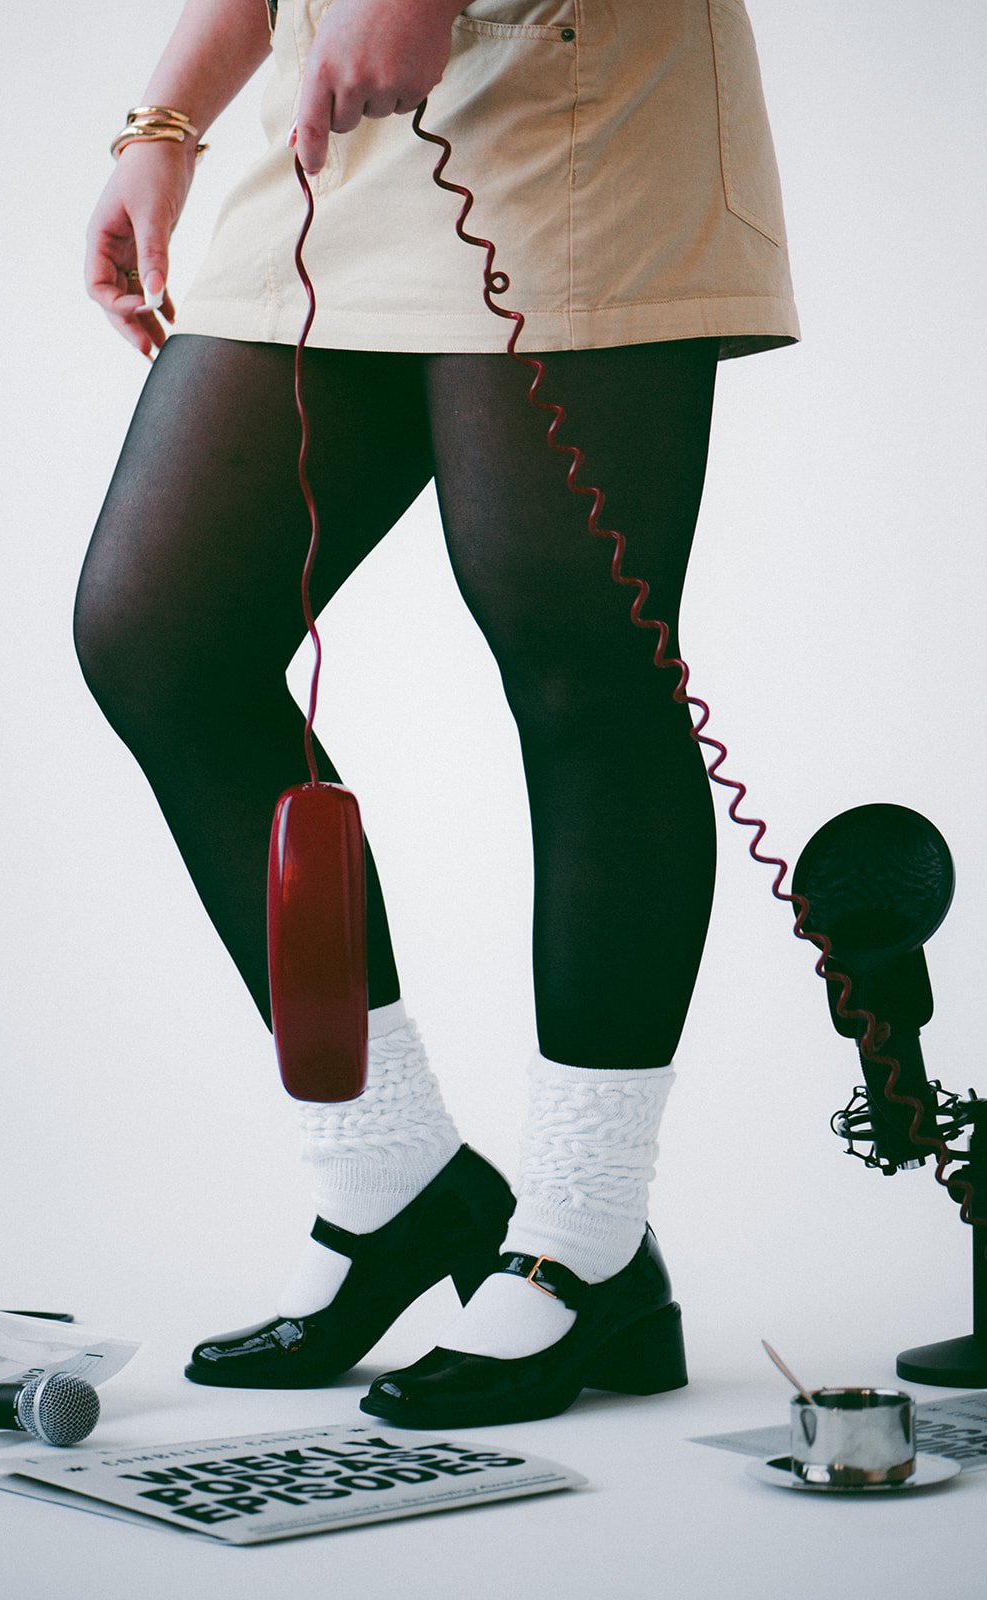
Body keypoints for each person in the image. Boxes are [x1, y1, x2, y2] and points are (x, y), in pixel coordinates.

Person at [78, 0, 798, 1428]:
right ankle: (396, 1184)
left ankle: (587, 1243)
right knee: (161, 636)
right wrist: (163, 127)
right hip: (336, 117)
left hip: (576, 87)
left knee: (578, 657)